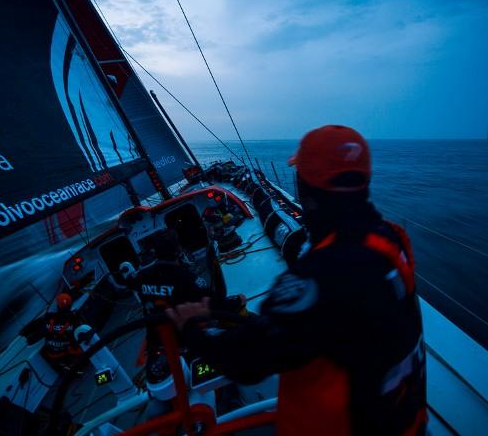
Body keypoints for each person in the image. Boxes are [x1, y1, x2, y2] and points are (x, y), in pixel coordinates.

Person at [166, 125, 427, 435]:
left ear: (307, 190)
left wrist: (190, 331)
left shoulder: (317, 280)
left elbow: (244, 361)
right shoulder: (392, 240)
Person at [42, 293, 83, 368]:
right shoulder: (73, 319)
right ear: (69, 306)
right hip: (65, 354)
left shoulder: (48, 318)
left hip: (50, 354)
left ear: (57, 306)